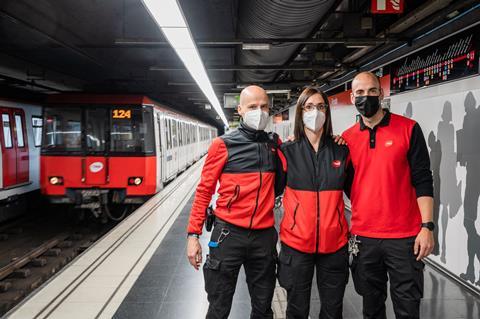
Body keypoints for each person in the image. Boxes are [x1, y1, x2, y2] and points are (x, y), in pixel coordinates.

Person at [342, 71, 435, 319]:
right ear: (352, 98)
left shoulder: (409, 129)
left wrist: (427, 226)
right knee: (371, 308)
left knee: (408, 307)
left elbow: (423, 179)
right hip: (364, 237)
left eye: (372, 91)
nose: (367, 97)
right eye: (360, 93)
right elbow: (347, 185)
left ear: (381, 93)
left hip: (404, 238)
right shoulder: (346, 140)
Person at [186, 85, 280, 319]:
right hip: (228, 235)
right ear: (240, 110)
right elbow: (204, 191)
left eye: (263, 107)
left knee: (263, 307)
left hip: (264, 237)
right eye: (252, 107)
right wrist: (193, 235)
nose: (259, 111)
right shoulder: (223, 145)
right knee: (219, 306)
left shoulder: (274, 146)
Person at [276, 87, 351, 319]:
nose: (315, 112)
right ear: (300, 112)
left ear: (327, 112)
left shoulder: (341, 150)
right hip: (296, 247)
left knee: (332, 310)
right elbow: (273, 190)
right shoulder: (287, 151)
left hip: (334, 246)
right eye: (309, 107)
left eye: (320, 107)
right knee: (297, 310)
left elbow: (357, 192)